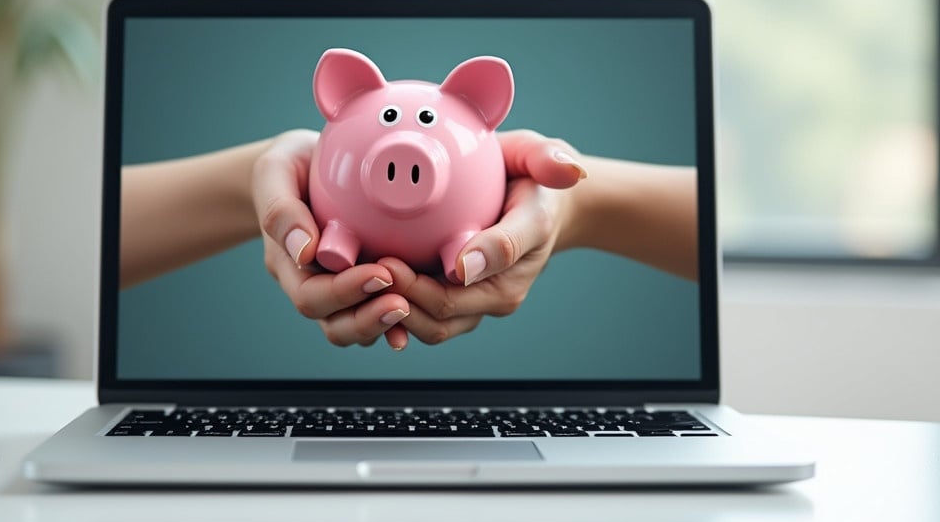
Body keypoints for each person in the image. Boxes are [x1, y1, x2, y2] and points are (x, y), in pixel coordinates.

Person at [121, 129, 696, 351]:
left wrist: (574, 202)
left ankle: (448, 251)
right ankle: (344, 243)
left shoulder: (479, 154)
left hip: (463, 230)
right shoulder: (338, 156)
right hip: (342, 219)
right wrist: (277, 182)